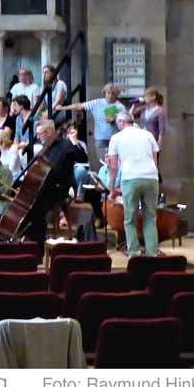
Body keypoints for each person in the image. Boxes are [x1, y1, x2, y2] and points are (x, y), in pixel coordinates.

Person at [19, 119, 86, 247]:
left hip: (60, 188)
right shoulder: (47, 148)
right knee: (33, 205)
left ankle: (34, 243)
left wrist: (75, 142)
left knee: (36, 207)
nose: (38, 137)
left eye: (40, 134)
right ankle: (28, 239)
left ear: (49, 132)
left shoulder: (66, 145)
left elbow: (82, 157)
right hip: (45, 187)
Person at [106, 111, 161, 257]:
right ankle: (152, 254)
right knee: (150, 218)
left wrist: (112, 189)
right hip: (151, 177)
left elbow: (113, 167)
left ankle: (134, 254)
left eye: (117, 122)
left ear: (122, 122)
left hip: (130, 178)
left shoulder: (116, 138)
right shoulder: (147, 134)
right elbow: (155, 160)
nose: (117, 125)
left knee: (130, 219)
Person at [54, 82, 124, 170]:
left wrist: (115, 120)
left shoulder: (119, 106)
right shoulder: (97, 103)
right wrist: (63, 108)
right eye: (108, 93)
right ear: (104, 93)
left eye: (113, 93)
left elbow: (125, 122)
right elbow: (80, 106)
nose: (110, 96)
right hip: (100, 138)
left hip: (115, 138)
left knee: (116, 162)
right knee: (104, 162)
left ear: (116, 95)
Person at [132, 86, 168, 155]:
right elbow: (131, 117)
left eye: (146, 96)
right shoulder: (143, 110)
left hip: (153, 139)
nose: (144, 98)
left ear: (153, 97)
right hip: (141, 139)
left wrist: (159, 143)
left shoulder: (160, 111)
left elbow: (161, 129)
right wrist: (135, 105)